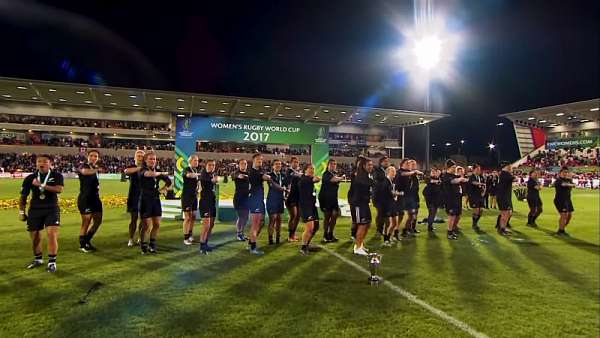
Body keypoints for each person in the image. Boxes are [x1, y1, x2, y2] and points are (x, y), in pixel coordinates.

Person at [19, 154, 64, 272]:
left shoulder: (56, 175)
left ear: (50, 164)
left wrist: (41, 185)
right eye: (39, 161)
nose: (41, 163)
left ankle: (52, 262)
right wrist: (21, 211)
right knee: (35, 237)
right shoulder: (30, 178)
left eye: (45, 161)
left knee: (51, 235)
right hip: (35, 210)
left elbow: (59, 189)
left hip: (51, 208)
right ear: (36, 163)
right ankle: (38, 259)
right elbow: (23, 196)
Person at [139, 151, 172, 254]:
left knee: (157, 224)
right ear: (145, 160)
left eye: (154, 159)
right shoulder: (142, 170)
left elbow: (169, 181)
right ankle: (143, 245)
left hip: (156, 199)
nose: (153, 161)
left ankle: (152, 245)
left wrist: (164, 189)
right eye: (150, 159)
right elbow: (149, 174)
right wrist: (161, 173)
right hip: (145, 200)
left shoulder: (157, 171)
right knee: (146, 225)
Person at [77, 149, 103, 252]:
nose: (93, 158)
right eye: (92, 156)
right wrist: (97, 170)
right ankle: (82, 245)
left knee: (98, 220)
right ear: (88, 156)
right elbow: (85, 172)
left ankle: (87, 240)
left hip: (95, 198)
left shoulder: (94, 168)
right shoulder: (83, 166)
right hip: (85, 198)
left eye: (95, 156)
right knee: (86, 220)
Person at [349, 157, 374, 255]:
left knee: (367, 224)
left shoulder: (365, 175)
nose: (371, 167)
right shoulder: (359, 176)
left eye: (372, 165)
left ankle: (360, 244)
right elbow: (371, 183)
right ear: (363, 166)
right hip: (358, 204)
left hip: (364, 203)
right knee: (362, 225)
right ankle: (357, 248)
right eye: (369, 165)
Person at [247, 153, 272, 255]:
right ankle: (253, 248)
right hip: (255, 200)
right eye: (258, 160)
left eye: (261, 160)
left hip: (259, 200)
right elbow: (266, 177)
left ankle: (250, 242)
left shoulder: (259, 170)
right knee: (255, 224)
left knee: (261, 223)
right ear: (253, 161)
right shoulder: (253, 172)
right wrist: (267, 176)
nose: (260, 161)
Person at [318, 159, 344, 242]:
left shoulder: (334, 174)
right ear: (328, 165)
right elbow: (333, 180)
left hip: (333, 198)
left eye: (335, 164)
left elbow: (335, 180)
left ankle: (330, 233)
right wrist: (341, 177)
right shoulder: (326, 174)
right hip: (325, 199)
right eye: (331, 164)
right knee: (327, 216)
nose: (333, 165)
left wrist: (339, 178)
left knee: (335, 215)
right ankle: (325, 235)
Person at [442, 160, 468, 240]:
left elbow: (461, 179)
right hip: (450, 199)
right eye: (453, 167)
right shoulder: (446, 176)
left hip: (457, 199)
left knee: (457, 215)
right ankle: (449, 232)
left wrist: (464, 179)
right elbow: (453, 181)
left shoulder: (453, 175)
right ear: (449, 167)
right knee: (452, 216)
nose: (454, 168)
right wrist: (460, 179)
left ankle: (453, 229)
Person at [298, 164, 321, 255]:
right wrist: (314, 177)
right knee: (309, 228)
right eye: (310, 168)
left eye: (313, 169)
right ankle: (303, 248)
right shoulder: (305, 179)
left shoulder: (308, 179)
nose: (312, 170)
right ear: (305, 170)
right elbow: (317, 179)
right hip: (305, 206)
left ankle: (307, 244)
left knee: (316, 226)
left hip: (312, 206)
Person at [124, 150, 145, 247]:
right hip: (134, 196)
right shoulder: (131, 166)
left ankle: (141, 238)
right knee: (134, 218)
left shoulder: (147, 167)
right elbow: (126, 172)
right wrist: (140, 168)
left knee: (144, 219)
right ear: (135, 157)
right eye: (138, 155)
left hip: (144, 196)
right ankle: (131, 238)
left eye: (141, 155)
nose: (140, 157)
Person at [199, 160, 219, 254]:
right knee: (206, 225)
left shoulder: (212, 174)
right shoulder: (204, 174)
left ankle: (205, 243)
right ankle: (202, 246)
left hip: (211, 202)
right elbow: (207, 180)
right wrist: (214, 180)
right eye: (210, 165)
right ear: (206, 166)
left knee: (211, 224)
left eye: (213, 165)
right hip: (205, 202)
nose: (212, 167)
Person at [181, 155, 200, 246]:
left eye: (197, 160)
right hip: (186, 196)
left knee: (193, 216)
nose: (197, 162)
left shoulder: (196, 170)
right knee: (187, 217)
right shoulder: (186, 169)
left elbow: (197, 181)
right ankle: (185, 238)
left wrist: (199, 188)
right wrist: (199, 175)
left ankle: (190, 234)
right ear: (190, 161)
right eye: (195, 160)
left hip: (194, 196)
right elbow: (188, 175)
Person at [266, 159, 286, 245]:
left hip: (280, 200)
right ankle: (270, 239)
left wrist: (286, 193)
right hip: (272, 199)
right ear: (273, 166)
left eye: (280, 164)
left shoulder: (283, 175)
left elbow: (286, 185)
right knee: (272, 219)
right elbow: (272, 185)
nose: (278, 166)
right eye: (276, 164)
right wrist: (282, 189)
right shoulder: (269, 175)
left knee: (279, 219)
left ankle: (278, 238)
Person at [554, 167, 575, 236]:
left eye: (566, 172)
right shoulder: (558, 180)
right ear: (560, 173)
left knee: (569, 215)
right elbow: (564, 184)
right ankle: (561, 231)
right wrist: (570, 184)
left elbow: (573, 185)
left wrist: (570, 183)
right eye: (564, 172)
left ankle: (562, 227)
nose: (565, 173)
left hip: (568, 200)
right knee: (564, 215)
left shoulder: (568, 180)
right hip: (560, 200)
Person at [382, 166, 401, 245]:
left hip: (392, 204)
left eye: (395, 171)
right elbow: (386, 193)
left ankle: (388, 237)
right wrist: (396, 193)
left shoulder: (391, 181)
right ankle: (386, 239)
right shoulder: (385, 181)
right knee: (388, 223)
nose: (394, 173)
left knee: (394, 223)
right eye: (392, 171)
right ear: (388, 172)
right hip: (387, 205)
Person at [372, 155, 390, 237]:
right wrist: (387, 179)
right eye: (385, 161)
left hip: (386, 197)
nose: (387, 163)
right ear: (381, 162)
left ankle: (383, 230)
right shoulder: (377, 171)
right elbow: (377, 184)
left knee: (384, 214)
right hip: (378, 196)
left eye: (387, 161)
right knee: (380, 213)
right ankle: (379, 230)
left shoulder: (387, 170)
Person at [285, 156, 302, 242]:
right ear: (291, 163)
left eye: (297, 162)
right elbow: (297, 175)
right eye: (294, 162)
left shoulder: (298, 171)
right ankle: (290, 236)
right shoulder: (289, 171)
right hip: (290, 197)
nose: (296, 163)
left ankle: (293, 234)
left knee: (298, 216)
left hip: (298, 197)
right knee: (293, 216)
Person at [232, 159, 250, 241]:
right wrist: (249, 177)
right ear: (239, 165)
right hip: (238, 198)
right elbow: (239, 176)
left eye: (245, 163)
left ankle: (242, 233)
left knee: (246, 217)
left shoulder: (248, 173)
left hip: (246, 198)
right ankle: (239, 233)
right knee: (241, 216)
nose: (244, 165)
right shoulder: (236, 173)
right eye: (242, 163)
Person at [496, 162, 515, 236]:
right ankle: (501, 229)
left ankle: (502, 227)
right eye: (510, 167)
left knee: (508, 213)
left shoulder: (503, 174)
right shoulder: (505, 174)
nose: (511, 168)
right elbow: (513, 178)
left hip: (505, 196)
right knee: (505, 213)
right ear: (507, 167)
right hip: (503, 197)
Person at [405, 159, 423, 233]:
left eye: (414, 164)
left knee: (416, 213)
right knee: (411, 215)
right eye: (412, 164)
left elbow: (421, 173)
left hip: (415, 196)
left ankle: (413, 228)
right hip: (410, 197)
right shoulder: (408, 174)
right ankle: (407, 229)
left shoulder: (415, 174)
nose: (414, 166)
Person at [422, 168, 443, 232]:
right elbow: (428, 181)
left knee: (434, 213)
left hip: (436, 199)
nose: (435, 173)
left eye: (436, 172)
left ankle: (430, 226)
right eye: (433, 172)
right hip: (430, 200)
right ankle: (429, 227)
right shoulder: (429, 178)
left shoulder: (438, 179)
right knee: (432, 212)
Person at [468, 164, 486, 233]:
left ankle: (476, 222)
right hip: (473, 196)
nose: (479, 171)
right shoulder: (471, 176)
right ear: (474, 169)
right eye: (478, 169)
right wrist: (480, 184)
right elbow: (473, 182)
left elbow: (484, 185)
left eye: (479, 169)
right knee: (476, 210)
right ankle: (474, 224)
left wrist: (484, 192)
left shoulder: (481, 176)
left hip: (480, 196)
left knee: (481, 210)